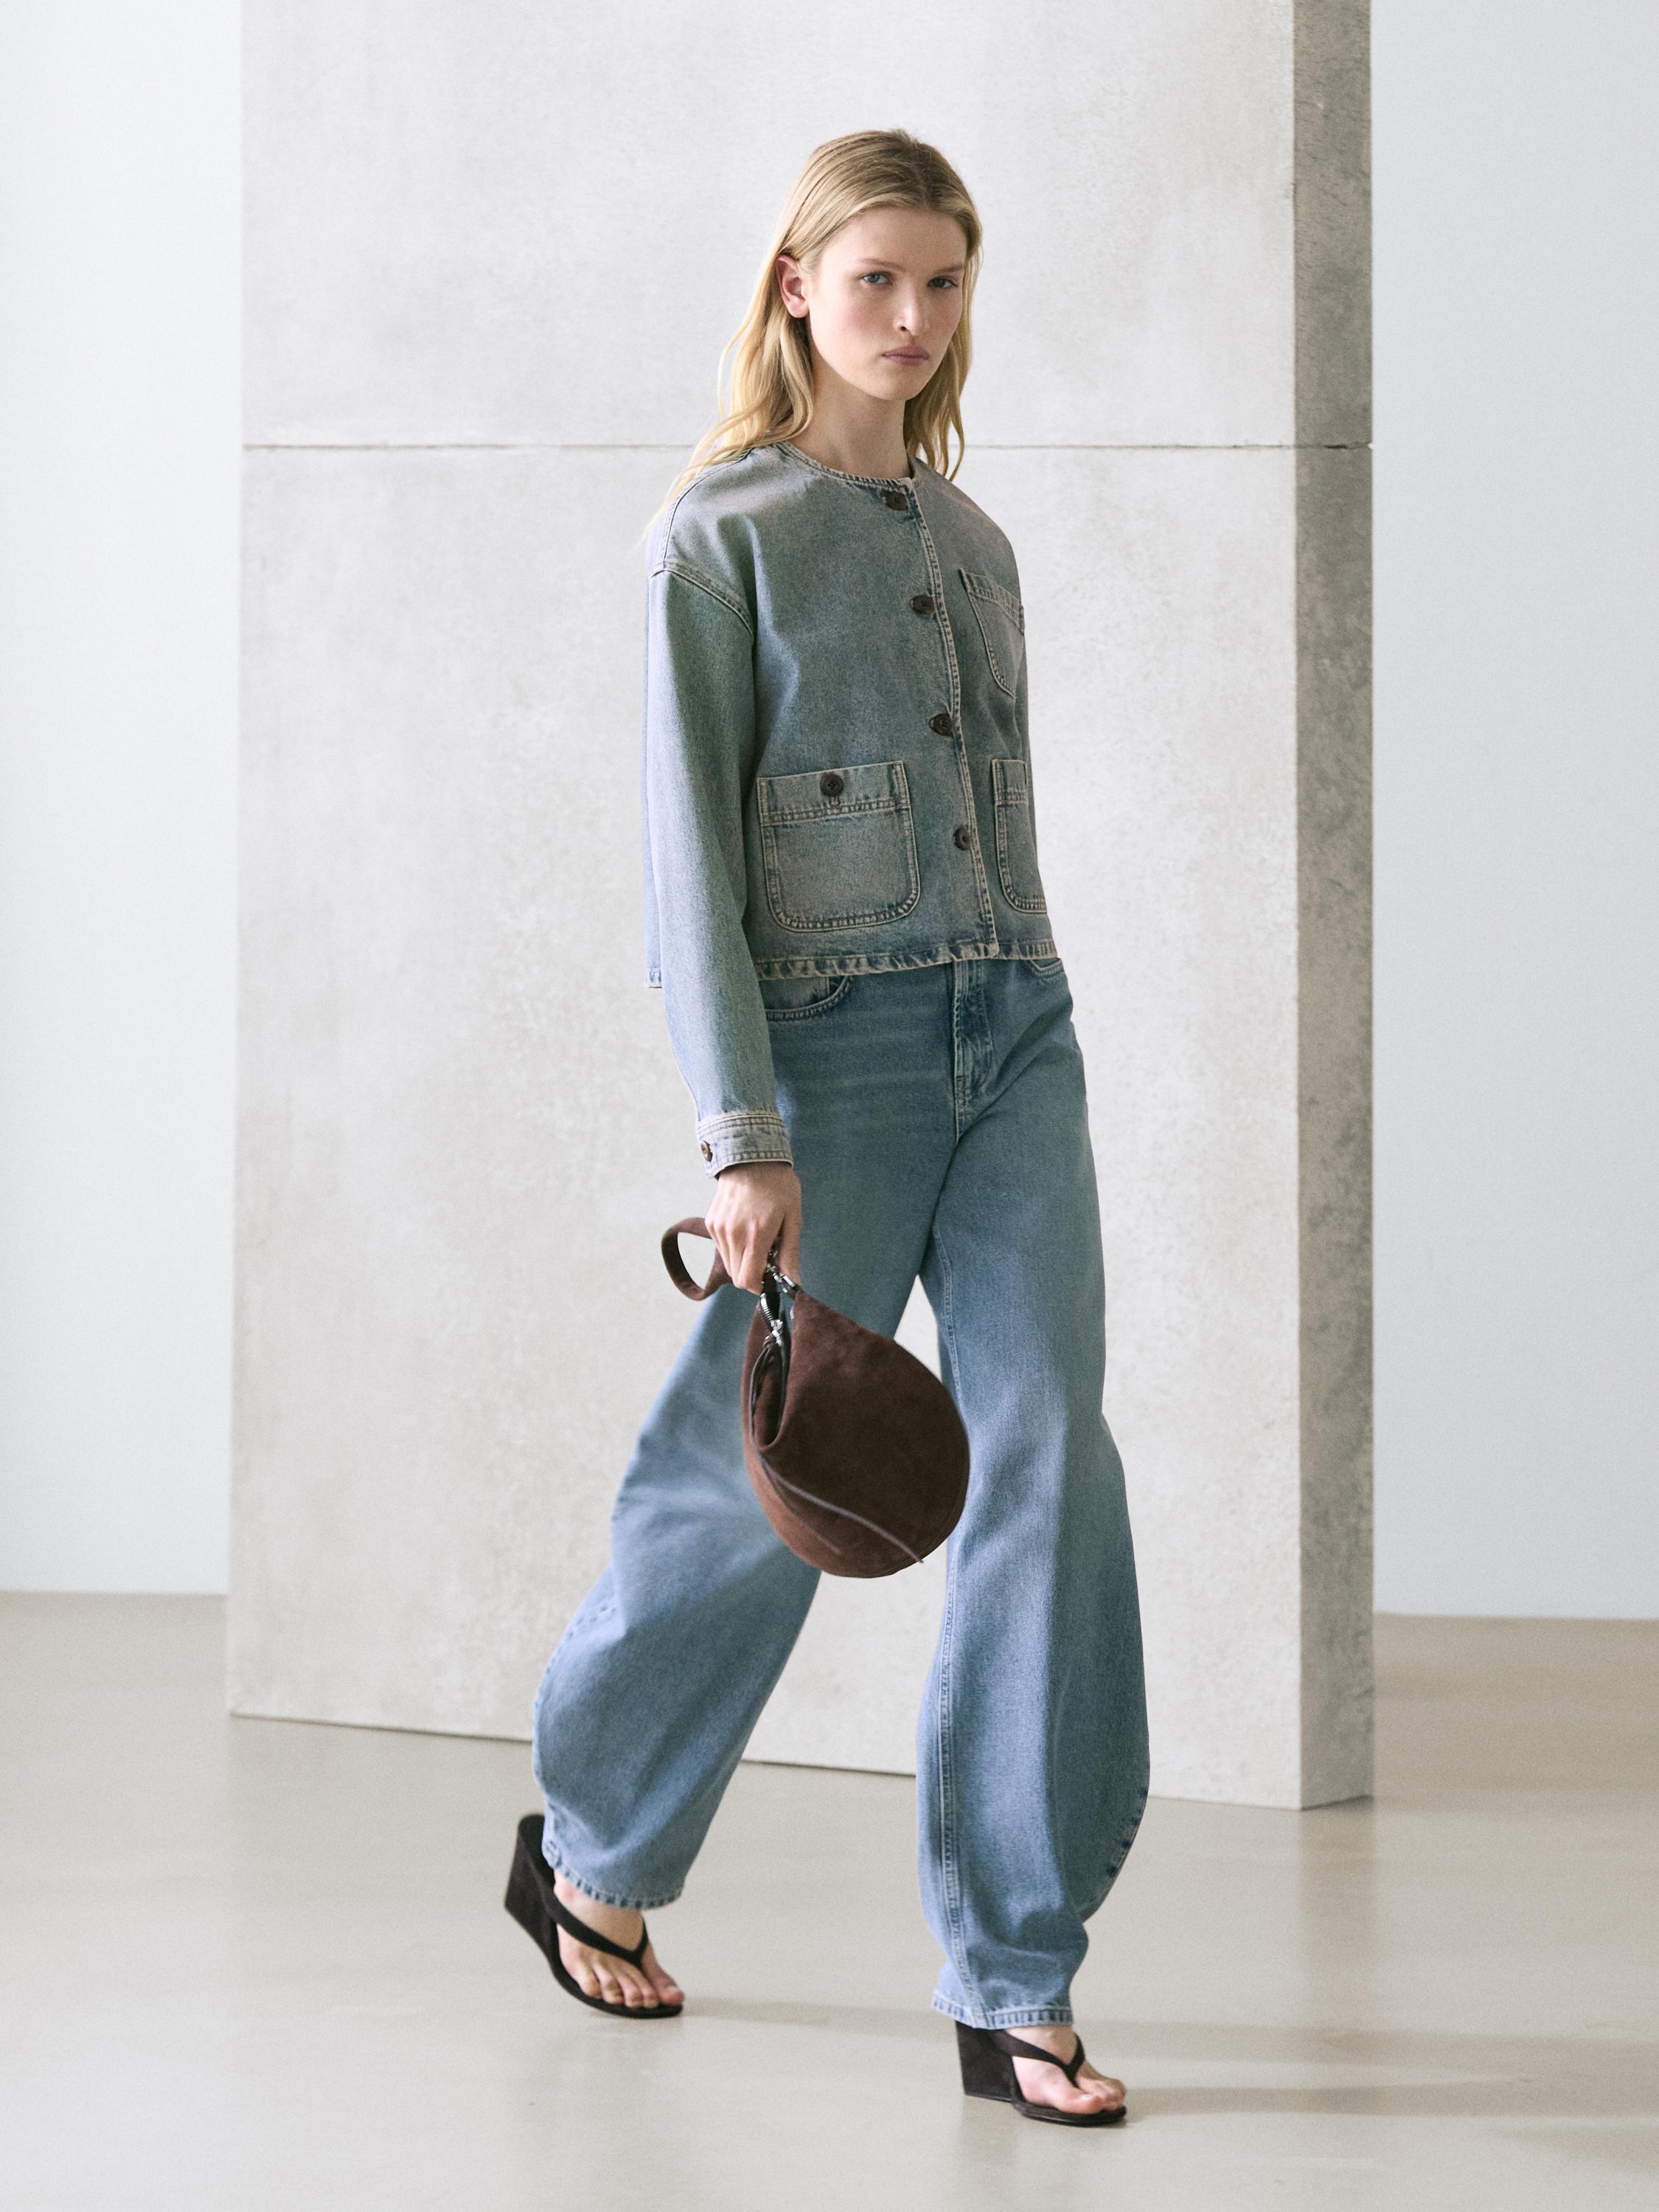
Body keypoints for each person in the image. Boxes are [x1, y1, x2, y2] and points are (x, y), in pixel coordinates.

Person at [508, 127, 1150, 2128]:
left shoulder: (973, 545)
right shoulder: (722, 536)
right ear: (794, 284)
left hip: (1012, 1024)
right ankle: (588, 1838)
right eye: (873, 278)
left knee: (1046, 1447)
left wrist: (1012, 1001)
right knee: (762, 1478)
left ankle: (1013, 1972)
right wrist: (742, 1130)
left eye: (942, 283)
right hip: (831, 1057)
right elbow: (688, 865)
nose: (910, 319)